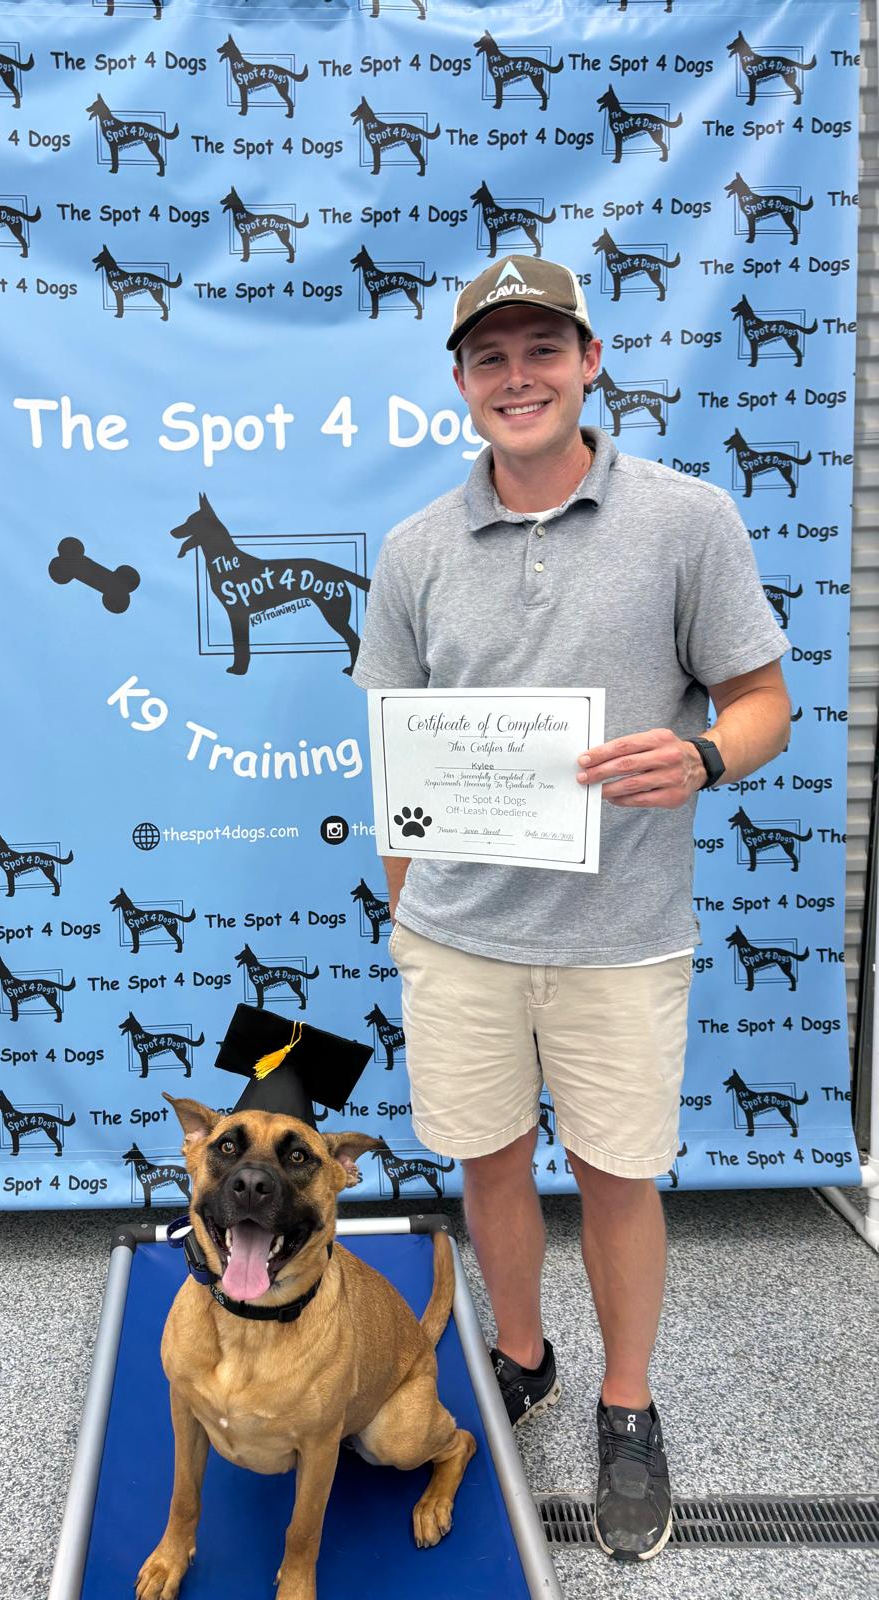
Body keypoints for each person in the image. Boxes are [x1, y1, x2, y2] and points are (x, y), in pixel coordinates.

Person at [352, 255, 791, 1561]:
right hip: (462, 938)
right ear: (461, 385)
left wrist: (706, 755)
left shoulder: (687, 519)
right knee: (488, 1161)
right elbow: (397, 741)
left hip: (620, 937)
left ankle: (628, 1402)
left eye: (543, 351)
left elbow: (763, 702)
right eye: (492, 359)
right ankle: (524, 1355)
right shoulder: (415, 549)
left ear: (590, 363)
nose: (518, 378)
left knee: (614, 1175)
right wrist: (404, 909)